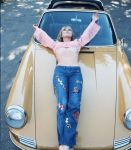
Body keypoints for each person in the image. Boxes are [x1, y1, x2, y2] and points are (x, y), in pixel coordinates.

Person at [33, 12, 100, 150]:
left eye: (70, 29)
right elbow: (44, 37)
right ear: (61, 34)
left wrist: (94, 21)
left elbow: (87, 34)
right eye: (64, 29)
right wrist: (38, 30)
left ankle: (66, 143)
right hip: (60, 73)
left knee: (74, 105)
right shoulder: (55, 44)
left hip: (75, 73)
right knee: (62, 105)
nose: (67, 30)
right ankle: (64, 143)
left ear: (72, 34)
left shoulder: (77, 43)